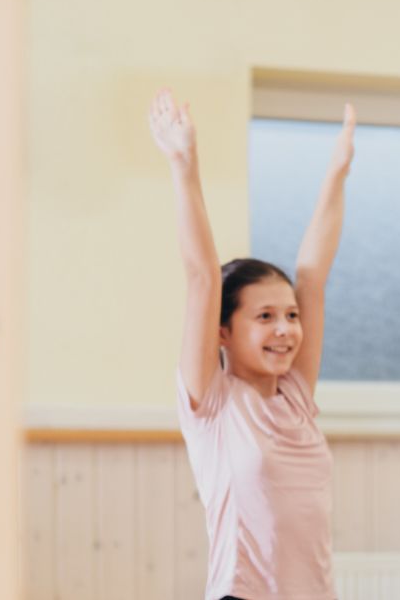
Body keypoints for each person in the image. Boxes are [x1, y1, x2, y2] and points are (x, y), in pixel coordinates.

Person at [148, 88, 355, 600]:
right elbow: (201, 278)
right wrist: (184, 164)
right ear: (224, 330)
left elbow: (312, 277)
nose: (285, 329)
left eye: (289, 317)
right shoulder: (211, 402)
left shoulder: (296, 398)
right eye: (265, 317)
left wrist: (336, 175)